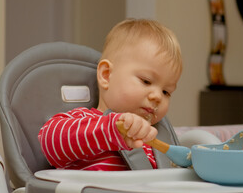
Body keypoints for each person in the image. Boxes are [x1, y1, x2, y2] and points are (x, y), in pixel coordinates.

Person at [38, 19, 182, 171]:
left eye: (166, 91)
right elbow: (49, 142)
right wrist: (110, 130)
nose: (158, 96)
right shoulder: (85, 122)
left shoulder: (155, 139)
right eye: (146, 81)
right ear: (106, 75)